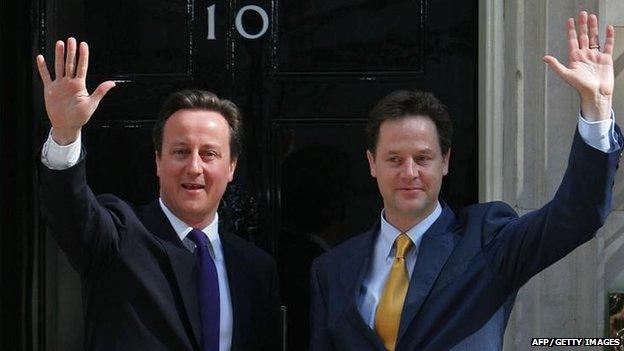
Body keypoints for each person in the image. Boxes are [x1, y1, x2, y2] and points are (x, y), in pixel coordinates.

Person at [310, 11, 623, 351]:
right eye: (394, 160)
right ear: (372, 163)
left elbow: (576, 217)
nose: (410, 173)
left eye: (423, 158)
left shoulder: (486, 242)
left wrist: (596, 108)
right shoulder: (332, 269)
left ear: (445, 161)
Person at [36, 38, 280, 350]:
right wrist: (65, 133)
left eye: (209, 154)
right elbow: (68, 211)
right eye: (180, 152)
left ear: (231, 167)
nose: (194, 167)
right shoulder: (119, 236)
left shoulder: (256, 269)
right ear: (158, 161)